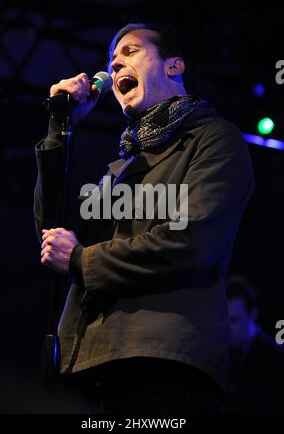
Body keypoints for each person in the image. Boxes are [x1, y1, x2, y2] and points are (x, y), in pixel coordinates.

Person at [34, 23, 255, 414]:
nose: (116, 62)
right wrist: (60, 129)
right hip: (92, 361)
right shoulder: (121, 166)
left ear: (174, 67)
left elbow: (192, 241)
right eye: (112, 61)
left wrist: (82, 259)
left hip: (165, 362)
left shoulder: (214, 139)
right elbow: (55, 237)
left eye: (132, 51)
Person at [225, 275, 284, 413]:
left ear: (253, 314)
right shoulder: (223, 356)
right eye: (224, 320)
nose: (228, 327)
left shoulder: (276, 357)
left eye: (234, 320)